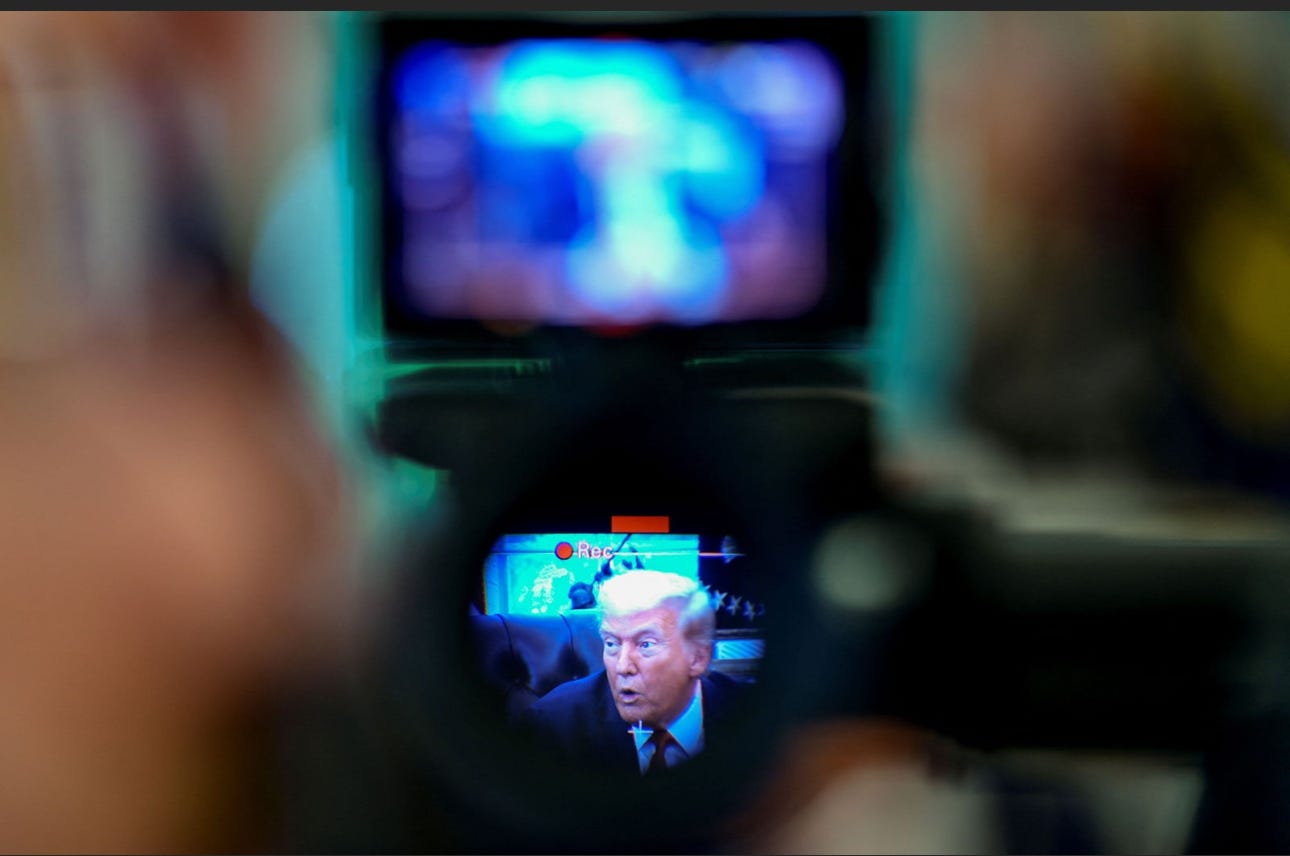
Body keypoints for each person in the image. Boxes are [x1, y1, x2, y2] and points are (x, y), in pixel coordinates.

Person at [521, 569, 745, 776]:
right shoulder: (552, 727)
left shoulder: (750, 716)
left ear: (698, 658)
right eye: (612, 643)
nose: (622, 666)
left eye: (646, 644)